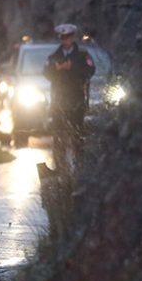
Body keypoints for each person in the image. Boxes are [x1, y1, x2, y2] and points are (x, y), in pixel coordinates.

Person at [42, 23, 95, 172]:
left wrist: (72, 68)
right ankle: (60, 168)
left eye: (68, 38)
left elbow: (89, 71)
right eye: (63, 38)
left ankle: (79, 167)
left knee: (77, 137)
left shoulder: (82, 55)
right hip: (59, 102)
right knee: (59, 137)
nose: (66, 41)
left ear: (73, 38)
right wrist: (57, 69)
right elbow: (46, 73)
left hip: (77, 101)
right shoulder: (54, 57)